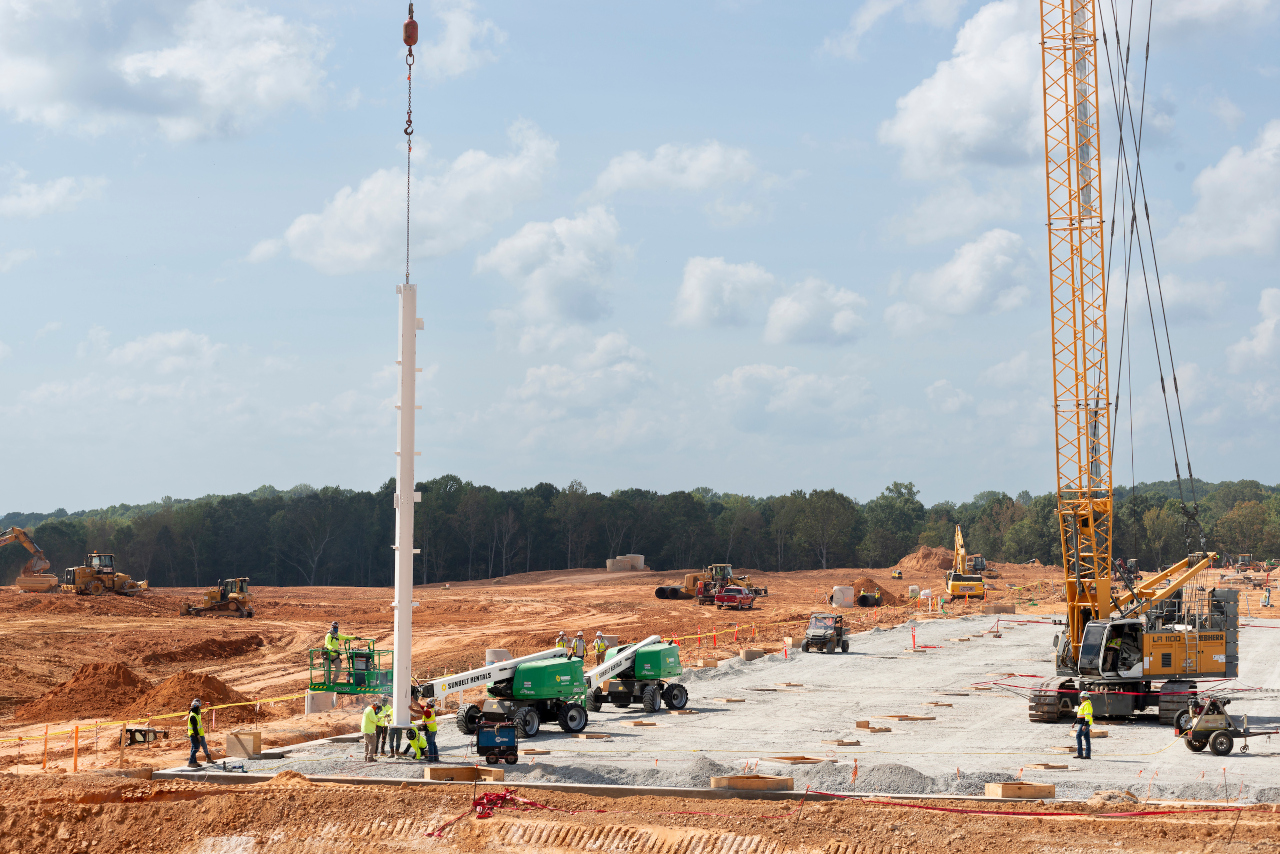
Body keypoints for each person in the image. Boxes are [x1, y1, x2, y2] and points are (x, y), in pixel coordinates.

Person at [187, 699, 214, 768]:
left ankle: (194, 762)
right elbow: (194, 727)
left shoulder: (195, 714)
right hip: (194, 734)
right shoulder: (193, 716)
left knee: (195, 748)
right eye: (198, 707)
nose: (199, 709)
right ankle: (190, 762)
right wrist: (197, 736)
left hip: (197, 733)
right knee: (195, 748)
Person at [1073, 691, 1094, 759]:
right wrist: (1074, 722)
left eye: (1082, 697)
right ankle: (1087, 755)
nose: (1080, 698)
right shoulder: (1083, 704)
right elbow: (1079, 715)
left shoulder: (1087, 704)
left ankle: (1080, 753)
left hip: (1084, 723)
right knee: (1087, 739)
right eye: (1080, 697)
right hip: (1083, 723)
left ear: (1086, 697)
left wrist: (1085, 725)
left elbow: (1087, 715)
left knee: (1078, 736)